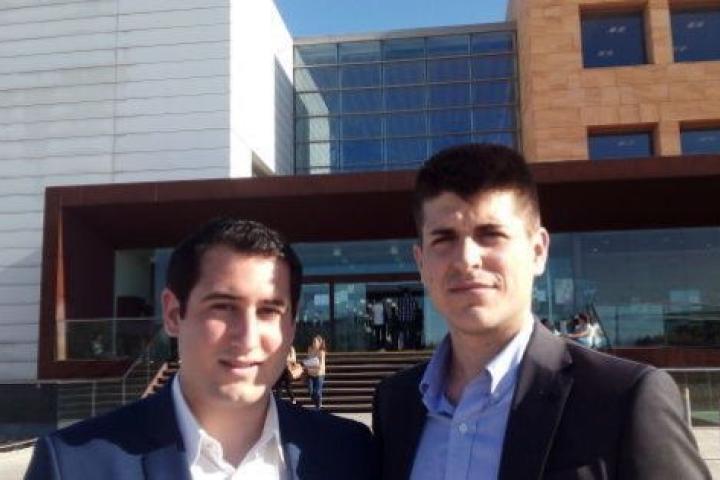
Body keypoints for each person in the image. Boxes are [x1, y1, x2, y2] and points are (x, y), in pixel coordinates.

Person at [372, 143, 710, 479]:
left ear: (538, 251)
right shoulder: (395, 404)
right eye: (444, 239)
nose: (466, 259)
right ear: (421, 262)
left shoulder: (623, 398)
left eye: (491, 235)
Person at [26, 218, 377, 480]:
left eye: (269, 311)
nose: (247, 337)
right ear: (173, 314)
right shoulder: (73, 465)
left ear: (292, 326)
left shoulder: (348, 452)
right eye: (222, 307)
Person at [304, 335, 327, 409]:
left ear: (319, 343)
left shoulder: (321, 352)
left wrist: (311, 365)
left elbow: (320, 365)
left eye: (315, 341)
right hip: (310, 374)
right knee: (311, 392)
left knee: (317, 392)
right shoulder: (310, 349)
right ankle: (317, 404)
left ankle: (318, 405)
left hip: (319, 374)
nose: (313, 343)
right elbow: (308, 360)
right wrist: (307, 364)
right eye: (313, 341)